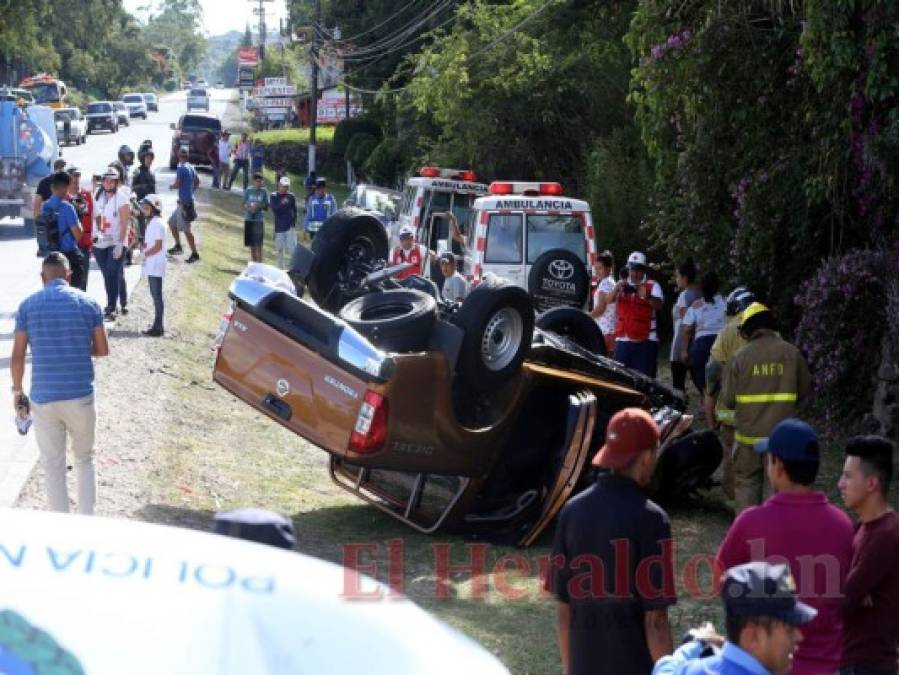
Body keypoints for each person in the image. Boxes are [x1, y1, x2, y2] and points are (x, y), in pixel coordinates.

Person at [716, 419, 854, 675]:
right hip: (827, 664)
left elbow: (722, 581)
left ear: (777, 466)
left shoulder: (750, 523)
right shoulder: (843, 525)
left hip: (766, 663)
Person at [546, 408, 676, 675]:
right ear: (646, 457)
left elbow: (563, 606)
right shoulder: (652, 520)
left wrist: (571, 670)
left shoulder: (572, 511)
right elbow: (656, 621)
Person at [10, 253, 109, 515]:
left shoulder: (27, 306)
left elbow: (18, 355)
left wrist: (17, 391)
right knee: (85, 458)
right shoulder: (89, 303)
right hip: (80, 395)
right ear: (69, 276)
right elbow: (102, 349)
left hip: (44, 398)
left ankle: (60, 527)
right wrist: (75, 347)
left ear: (43, 278)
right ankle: (87, 520)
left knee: (53, 464)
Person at [721, 303, 811, 513]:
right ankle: (776, 538)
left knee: (746, 486)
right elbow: (804, 391)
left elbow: (728, 399)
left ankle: (751, 538)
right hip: (781, 441)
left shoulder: (739, 357)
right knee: (777, 489)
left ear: (747, 330)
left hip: (747, 441)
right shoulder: (792, 353)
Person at [653, 562, 817, 675]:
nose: (798, 636)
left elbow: (664, 669)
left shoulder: (689, 670)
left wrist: (695, 644)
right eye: (789, 630)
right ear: (753, 636)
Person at [838, 435, 899, 675]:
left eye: (848, 476)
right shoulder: (863, 527)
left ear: (872, 483)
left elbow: (842, 601)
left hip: (867, 666)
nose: (840, 484)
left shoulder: (885, 536)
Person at [705, 286, 755, 498]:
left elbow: (713, 370)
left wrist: (710, 412)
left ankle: (735, 501)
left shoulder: (727, 331)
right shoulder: (772, 332)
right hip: (764, 413)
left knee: (731, 456)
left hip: (732, 413)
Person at [607, 251, 664, 378]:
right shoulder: (622, 284)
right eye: (632, 269)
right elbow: (608, 301)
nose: (635, 274)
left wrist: (647, 296)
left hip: (646, 341)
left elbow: (659, 306)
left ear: (644, 270)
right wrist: (616, 288)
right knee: (619, 380)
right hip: (623, 340)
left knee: (645, 381)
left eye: (639, 270)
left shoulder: (652, 285)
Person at [93, 167, 132, 320]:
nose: (108, 183)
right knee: (107, 275)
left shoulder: (122, 198)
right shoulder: (98, 195)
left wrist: (120, 244)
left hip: (116, 241)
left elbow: (124, 222)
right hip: (101, 242)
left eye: (111, 181)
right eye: (105, 180)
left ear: (116, 182)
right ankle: (116, 302)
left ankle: (112, 306)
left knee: (113, 272)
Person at [681, 271, 726, 395]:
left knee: (706, 388)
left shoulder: (696, 306)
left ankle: (707, 408)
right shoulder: (726, 303)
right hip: (722, 344)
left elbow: (687, 330)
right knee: (723, 382)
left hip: (701, 347)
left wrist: (684, 351)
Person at [40, 171, 86, 290]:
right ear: (66, 188)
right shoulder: (67, 207)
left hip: (50, 257)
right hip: (69, 257)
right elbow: (78, 235)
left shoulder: (45, 206)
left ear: (52, 187)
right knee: (74, 291)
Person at [670, 258, 700, 394]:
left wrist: (683, 349)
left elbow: (686, 322)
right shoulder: (701, 294)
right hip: (697, 344)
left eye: (678, 276)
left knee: (678, 386)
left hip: (681, 346)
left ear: (685, 278)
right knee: (700, 382)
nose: (676, 280)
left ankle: (680, 412)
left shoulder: (684, 296)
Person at [139, 194, 166, 337]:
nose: (144, 210)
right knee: (155, 295)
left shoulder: (157, 223)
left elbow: (158, 246)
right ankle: (158, 324)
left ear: (154, 209)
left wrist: (145, 254)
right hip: (153, 264)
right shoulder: (153, 222)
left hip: (155, 264)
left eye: (147, 208)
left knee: (157, 296)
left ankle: (158, 326)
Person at [167, 148, 200, 263]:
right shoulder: (191, 167)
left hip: (184, 204)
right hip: (184, 202)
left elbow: (177, 184)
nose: (181, 157)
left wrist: (171, 186)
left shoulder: (181, 168)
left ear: (179, 156)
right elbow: (197, 182)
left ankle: (195, 254)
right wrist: (191, 191)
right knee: (171, 223)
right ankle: (178, 246)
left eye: (181, 155)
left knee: (186, 230)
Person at [65, 166, 93, 292]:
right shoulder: (63, 198)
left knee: (82, 279)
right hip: (68, 247)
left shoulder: (86, 195)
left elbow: (94, 215)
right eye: (73, 179)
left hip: (84, 245)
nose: (76, 182)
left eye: (77, 178)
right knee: (68, 280)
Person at [34, 158, 68, 254]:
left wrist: (38, 225)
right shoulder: (66, 182)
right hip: (64, 224)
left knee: (50, 255)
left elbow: (36, 206)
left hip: (49, 225)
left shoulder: (44, 182)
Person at [589, 250, 618, 355]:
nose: (596, 271)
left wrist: (586, 317)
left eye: (600, 268)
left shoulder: (605, 284)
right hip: (610, 331)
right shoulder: (611, 282)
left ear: (609, 268)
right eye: (595, 268)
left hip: (605, 332)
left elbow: (600, 309)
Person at [269, 176, 297, 269]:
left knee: (293, 250)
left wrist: (293, 223)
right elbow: (275, 209)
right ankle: (280, 270)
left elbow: (294, 210)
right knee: (280, 251)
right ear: (279, 185)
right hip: (279, 228)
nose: (285, 188)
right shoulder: (273, 196)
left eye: (287, 186)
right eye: (283, 186)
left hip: (290, 228)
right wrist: (282, 203)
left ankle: (292, 270)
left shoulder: (291, 196)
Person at [131, 149, 156, 245]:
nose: (149, 160)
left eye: (151, 158)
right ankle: (142, 239)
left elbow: (153, 190)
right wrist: (142, 186)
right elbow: (132, 187)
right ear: (143, 158)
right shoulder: (138, 171)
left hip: (150, 202)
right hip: (140, 202)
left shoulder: (151, 172)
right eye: (147, 158)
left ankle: (148, 240)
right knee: (142, 216)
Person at [243, 172, 268, 263]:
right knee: (252, 245)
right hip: (249, 219)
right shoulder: (248, 190)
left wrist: (258, 207)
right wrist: (249, 208)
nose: (259, 183)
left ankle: (260, 265)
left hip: (259, 220)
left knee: (259, 245)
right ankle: (254, 265)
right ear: (253, 181)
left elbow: (266, 206)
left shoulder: (264, 192)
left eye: (260, 182)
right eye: (257, 181)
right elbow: (243, 204)